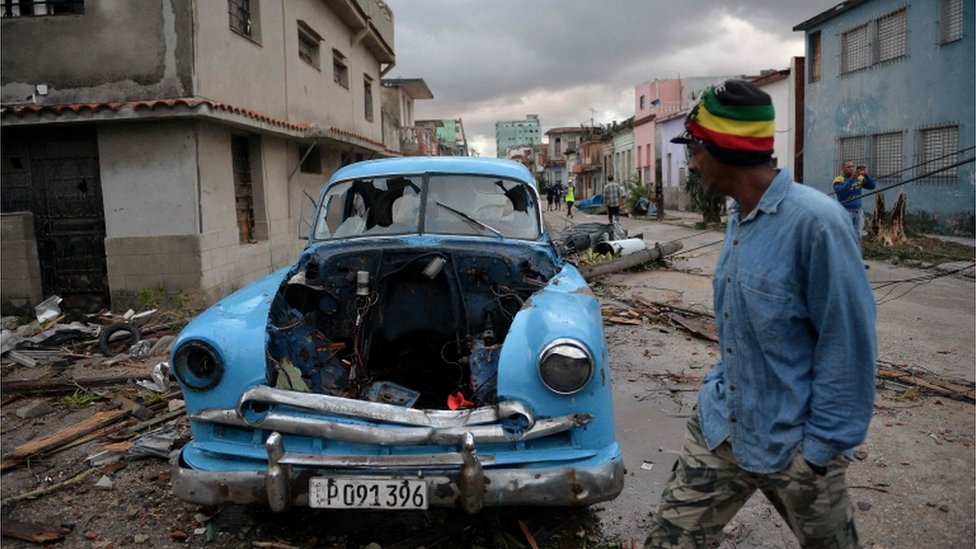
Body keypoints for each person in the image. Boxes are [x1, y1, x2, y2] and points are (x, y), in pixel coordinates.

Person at [646, 80, 877, 548]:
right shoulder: (739, 217)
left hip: (796, 445)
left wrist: (818, 453)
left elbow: (848, 346)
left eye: (693, 149)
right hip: (724, 428)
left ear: (723, 150)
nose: (690, 162)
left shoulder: (817, 225)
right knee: (669, 541)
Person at [833, 160, 876, 239]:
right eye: (848, 167)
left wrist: (866, 175)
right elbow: (841, 193)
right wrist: (851, 179)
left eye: (852, 166)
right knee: (845, 237)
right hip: (845, 212)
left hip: (858, 212)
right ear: (842, 169)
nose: (851, 168)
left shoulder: (859, 178)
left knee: (857, 236)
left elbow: (872, 186)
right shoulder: (838, 180)